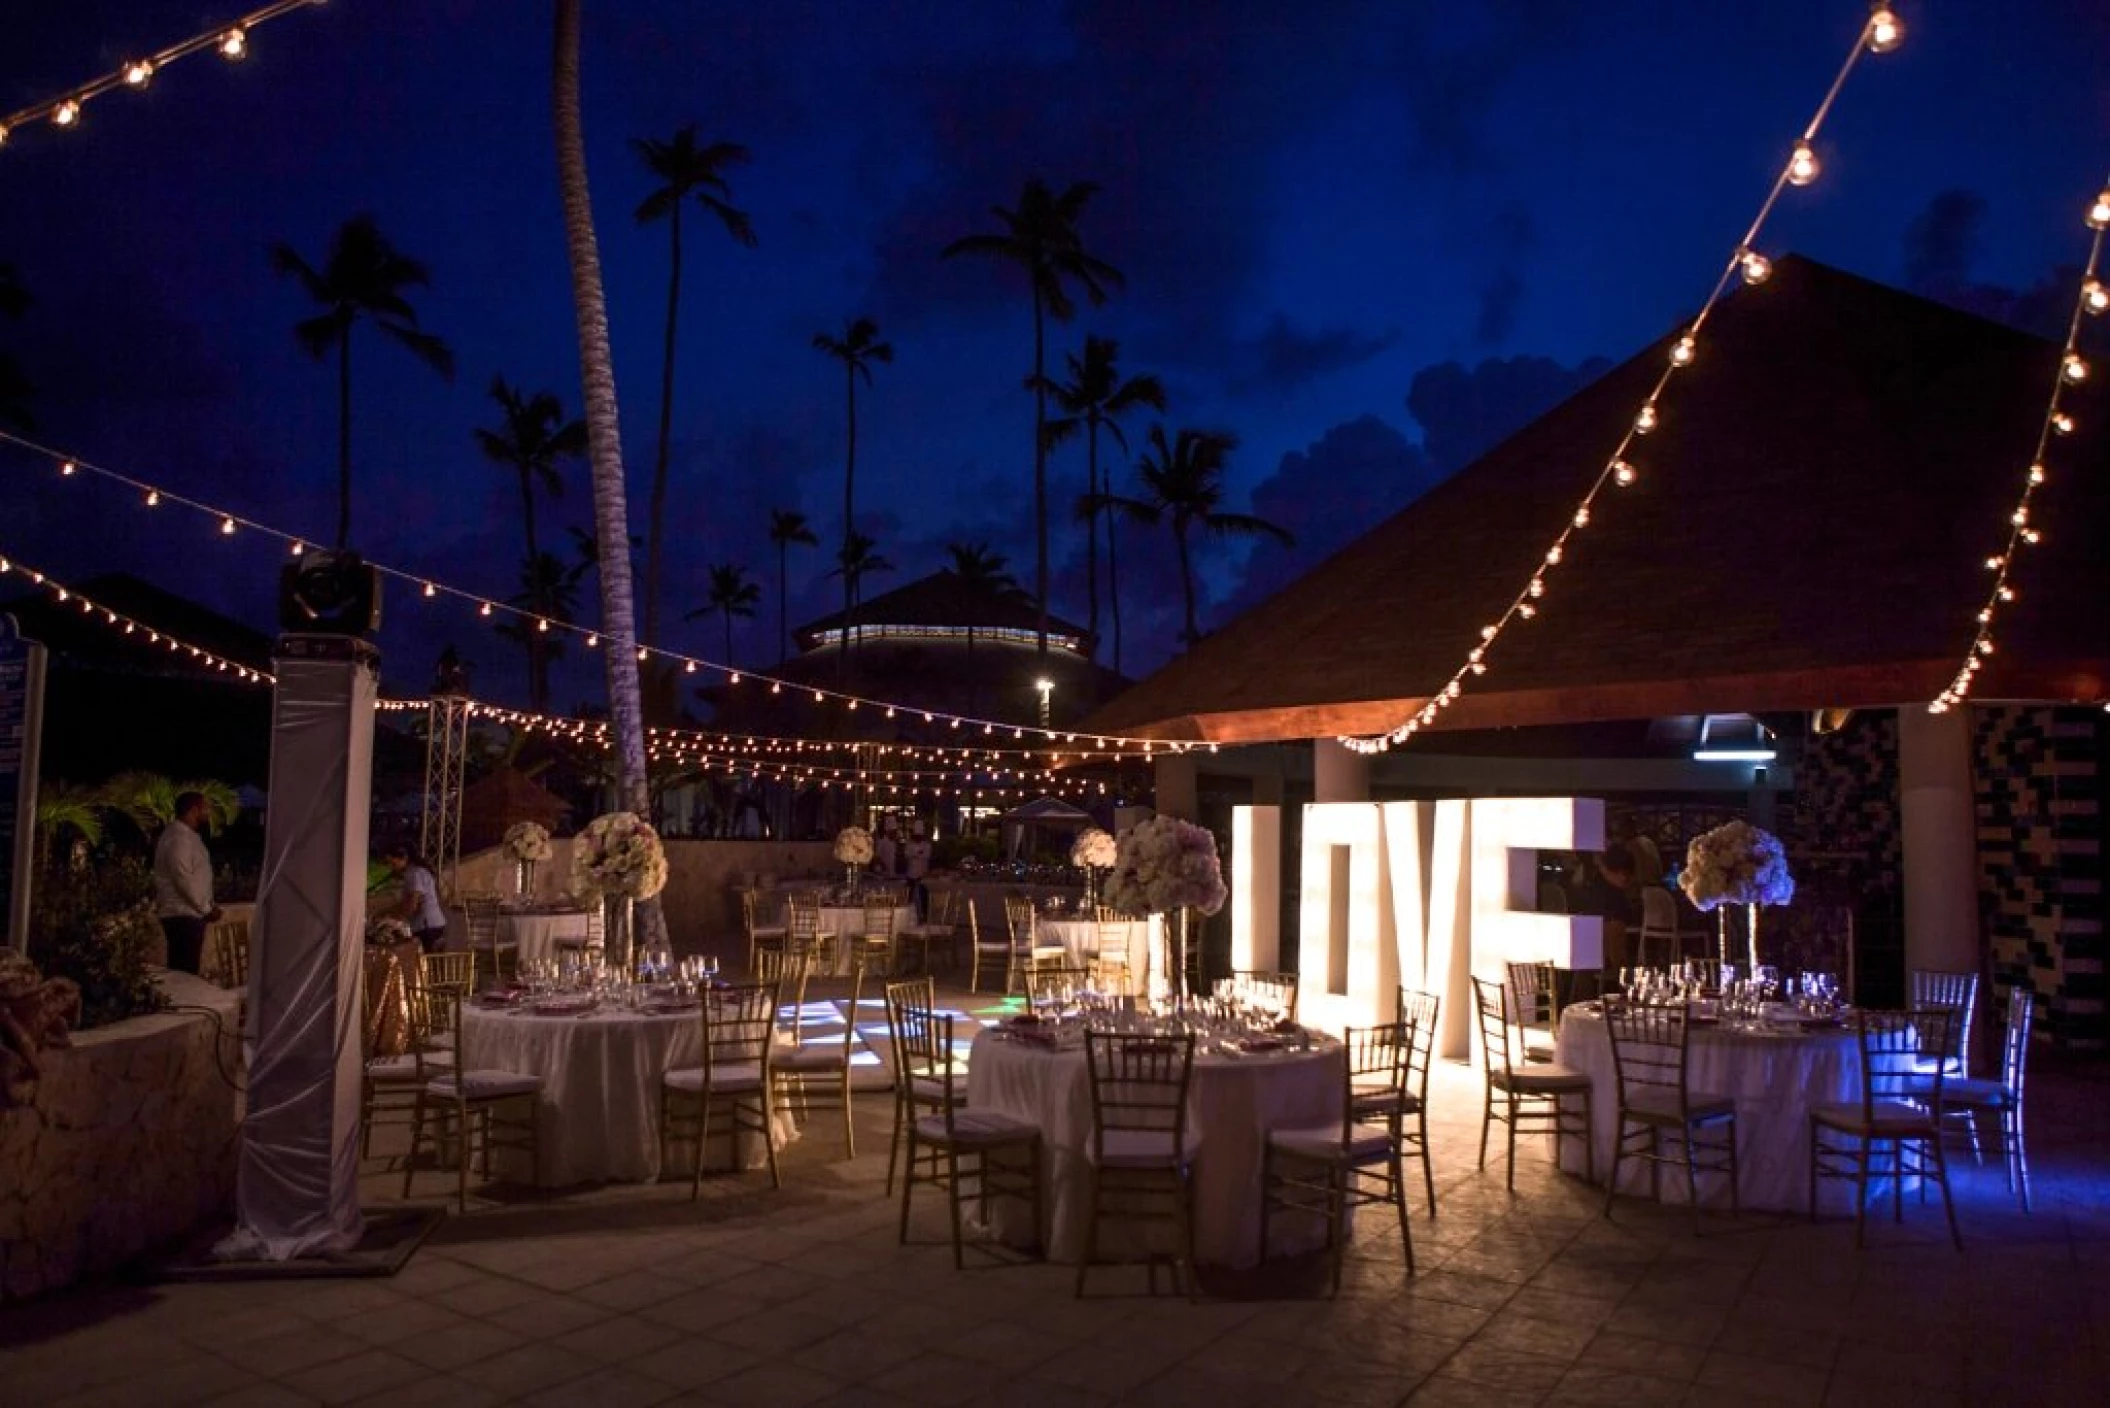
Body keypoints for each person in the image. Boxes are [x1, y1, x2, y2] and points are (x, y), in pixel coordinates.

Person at [153, 791, 222, 973]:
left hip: (187, 914)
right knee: (185, 974)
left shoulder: (185, 836)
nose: (208, 812)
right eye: (205, 808)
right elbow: (182, 877)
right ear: (194, 810)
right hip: (183, 915)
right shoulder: (178, 838)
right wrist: (206, 908)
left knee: (185, 971)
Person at [386, 843, 448, 952]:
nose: (391, 867)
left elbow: (414, 902)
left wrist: (398, 920)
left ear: (404, 857)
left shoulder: (415, 873)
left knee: (429, 964)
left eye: (392, 863)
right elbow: (407, 902)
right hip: (431, 926)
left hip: (428, 927)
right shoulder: (416, 872)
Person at [905, 822, 933, 920]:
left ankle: (924, 916)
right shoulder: (909, 844)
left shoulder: (927, 845)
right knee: (908, 897)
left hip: (923, 875)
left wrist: (915, 854)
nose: (917, 838)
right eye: (916, 836)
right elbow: (907, 855)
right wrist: (918, 853)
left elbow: (926, 855)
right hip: (911, 875)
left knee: (923, 897)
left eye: (919, 836)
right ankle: (908, 916)